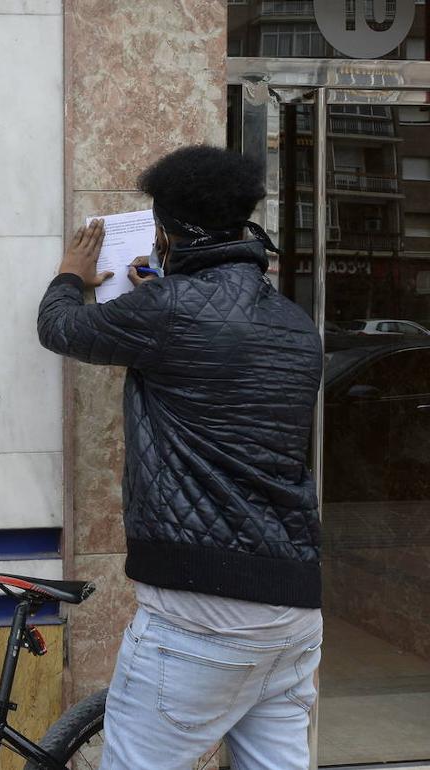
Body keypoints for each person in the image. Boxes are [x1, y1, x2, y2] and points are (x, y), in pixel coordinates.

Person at [36, 145, 324, 770]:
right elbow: (221, 367)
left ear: (165, 233)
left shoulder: (166, 310)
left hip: (203, 607)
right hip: (294, 609)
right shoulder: (297, 324)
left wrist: (69, 277)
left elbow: (59, 328)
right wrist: (162, 298)